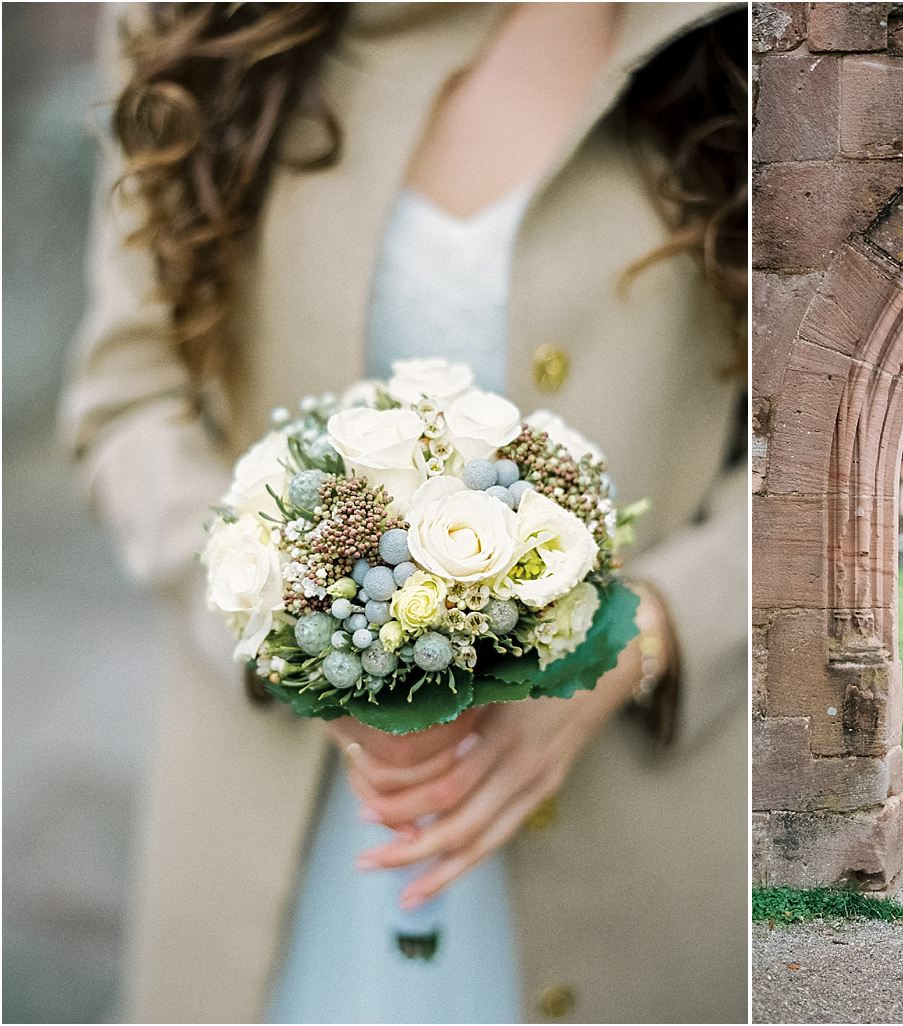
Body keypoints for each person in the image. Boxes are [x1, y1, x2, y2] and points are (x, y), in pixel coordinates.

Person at [59, 3, 748, 1021]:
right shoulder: (189, 22)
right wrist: (284, 622)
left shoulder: (745, 39)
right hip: (270, 834)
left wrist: (645, 634)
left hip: (650, 846)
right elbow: (129, 408)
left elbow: (819, 448)